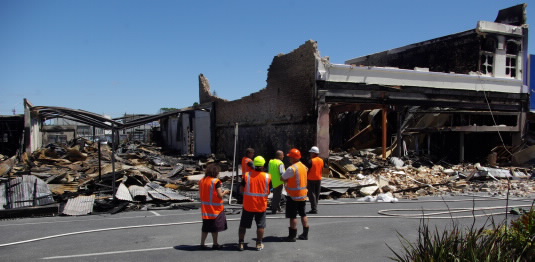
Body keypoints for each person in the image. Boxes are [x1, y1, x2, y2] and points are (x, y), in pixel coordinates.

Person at [238, 156, 272, 251]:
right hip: (261, 205)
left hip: (248, 205)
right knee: (260, 225)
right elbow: (268, 192)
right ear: (263, 165)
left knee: (243, 225)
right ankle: (258, 243)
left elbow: (241, 189)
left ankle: (241, 243)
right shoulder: (267, 177)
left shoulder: (247, 175)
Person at [199, 164, 230, 250]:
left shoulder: (202, 180)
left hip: (205, 208)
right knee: (214, 228)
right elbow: (220, 195)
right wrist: (226, 192)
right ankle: (215, 244)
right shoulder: (216, 182)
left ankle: (202, 244)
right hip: (215, 209)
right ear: (215, 172)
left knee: (205, 227)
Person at [281, 148, 310, 241]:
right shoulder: (303, 166)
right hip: (302, 195)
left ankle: (292, 236)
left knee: (293, 216)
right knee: (303, 214)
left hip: (293, 196)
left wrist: (287, 181)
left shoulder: (291, 168)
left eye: (290, 157)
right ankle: (305, 234)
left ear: (293, 158)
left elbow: (283, 178)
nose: (289, 158)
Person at [306, 146, 324, 214]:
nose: (310, 154)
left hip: (311, 179)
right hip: (318, 178)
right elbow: (321, 169)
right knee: (316, 193)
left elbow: (307, 170)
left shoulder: (311, 161)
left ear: (314, 153)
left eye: (311, 153)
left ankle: (314, 208)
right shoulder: (321, 160)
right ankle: (315, 207)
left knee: (311, 194)